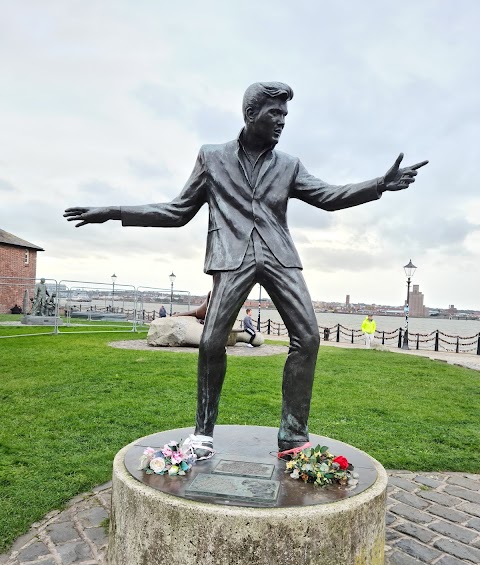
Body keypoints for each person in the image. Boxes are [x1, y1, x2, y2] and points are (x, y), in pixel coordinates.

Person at [64, 81, 428, 458]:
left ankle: (293, 435)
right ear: (250, 114)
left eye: (285, 115)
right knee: (210, 343)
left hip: (279, 257)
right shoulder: (212, 157)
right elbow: (177, 212)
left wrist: (379, 185)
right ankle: (203, 433)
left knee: (309, 338)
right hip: (231, 258)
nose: (282, 122)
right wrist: (113, 212)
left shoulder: (289, 165)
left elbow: (328, 197)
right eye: (275, 113)